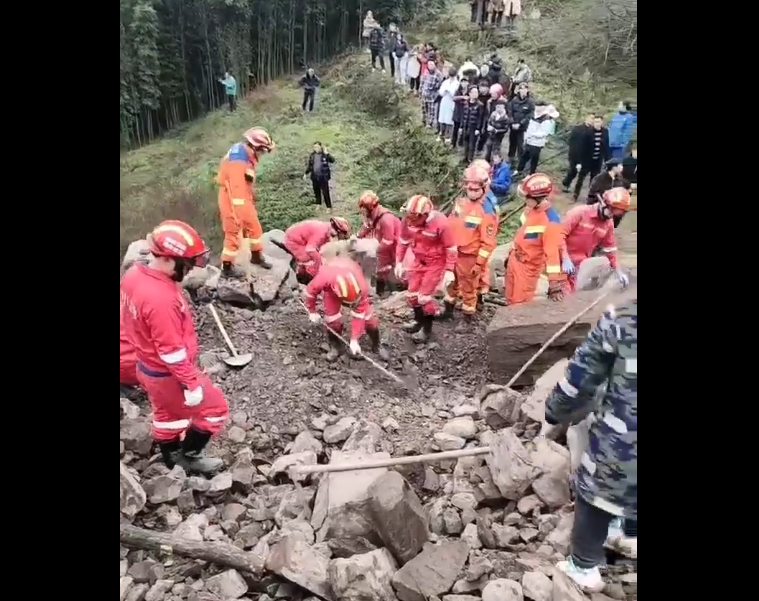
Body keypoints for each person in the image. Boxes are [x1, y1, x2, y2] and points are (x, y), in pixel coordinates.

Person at [539, 299, 637, 592]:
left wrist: (556, 410)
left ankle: (583, 565)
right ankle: (630, 533)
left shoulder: (624, 316)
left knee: (596, 487)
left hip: (625, 439)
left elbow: (581, 377)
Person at [120, 220, 228, 474]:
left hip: (146, 367)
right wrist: (190, 384)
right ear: (168, 260)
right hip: (167, 372)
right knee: (214, 410)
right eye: (186, 264)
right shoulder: (160, 299)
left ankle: (170, 457)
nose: (189, 270)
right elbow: (172, 351)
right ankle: (189, 456)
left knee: (168, 414)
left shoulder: (134, 275)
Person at [395, 195, 457, 343]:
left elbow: (451, 248)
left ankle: (427, 330)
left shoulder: (441, 223)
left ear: (425, 215)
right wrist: (398, 262)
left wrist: (449, 270)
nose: (410, 221)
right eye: (408, 217)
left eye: (414, 218)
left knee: (424, 298)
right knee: (411, 295)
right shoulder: (408, 220)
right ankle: (418, 321)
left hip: (435, 263)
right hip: (418, 260)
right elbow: (403, 241)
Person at [303, 256, 390, 363]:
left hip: (350, 282)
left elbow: (359, 315)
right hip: (332, 291)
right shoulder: (324, 277)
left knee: (370, 319)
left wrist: (354, 339)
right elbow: (310, 292)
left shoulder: (362, 288)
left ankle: (377, 345)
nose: (351, 307)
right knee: (331, 319)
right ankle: (336, 347)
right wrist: (312, 311)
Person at [443, 165, 498, 330]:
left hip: (470, 256)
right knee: (450, 283)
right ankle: (448, 311)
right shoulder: (460, 202)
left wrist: (479, 263)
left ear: (483, 187)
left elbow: (488, 242)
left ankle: (467, 319)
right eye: (469, 188)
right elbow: (450, 223)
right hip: (454, 252)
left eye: (475, 189)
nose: (471, 192)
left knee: (468, 287)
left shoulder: (487, 211)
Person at [217, 127, 275, 276]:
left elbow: (246, 182)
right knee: (233, 230)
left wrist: (250, 199)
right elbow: (236, 185)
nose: (262, 154)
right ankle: (227, 266)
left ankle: (256, 256)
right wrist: (238, 211)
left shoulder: (247, 155)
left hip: (242, 198)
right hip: (231, 199)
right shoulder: (238, 158)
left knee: (254, 225)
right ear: (256, 146)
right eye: (262, 150)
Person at [505, 173, 565, 304]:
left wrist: (554, 282)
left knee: (519, 304)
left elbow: (552, 254)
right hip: (515, 260)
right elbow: (521, 235)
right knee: (509, 298)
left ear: (538, 198)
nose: (525, 200)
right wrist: (510, 254)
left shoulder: (550, 221)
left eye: (527, 197)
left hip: (528, 268)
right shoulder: (530, 210)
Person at [560, 188, 631, 292]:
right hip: (560, 259)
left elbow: (610, 249)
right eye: (611, 210)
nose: (612, 215)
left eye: (616, 214)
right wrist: (565, 258)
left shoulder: (608, 224)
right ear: (603, 203)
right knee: (562, 293)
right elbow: (559, 235)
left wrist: (618, 271)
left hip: (579, 265)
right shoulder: (579, 213)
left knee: (572, 292)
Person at [356, 191, 402, 296]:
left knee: (389, 270)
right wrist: (357, 237)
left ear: (369, 207)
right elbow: (367, 226)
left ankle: (394, 294)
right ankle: (379, 294)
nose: (363, 211)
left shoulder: (386, 218)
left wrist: (375, 251)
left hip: (395, 248)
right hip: (385, 246)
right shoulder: (374, 215)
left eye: (364, 208)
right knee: (380, 269)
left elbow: (388, 241)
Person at [283, 217, 351, 284]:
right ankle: (301, 276)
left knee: (320, 258)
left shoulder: (326, 229)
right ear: (338, 231)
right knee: (309, 259)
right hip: (293, 240)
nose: (343, 236)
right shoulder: (322, 232)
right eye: (343, 234)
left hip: (300, 239)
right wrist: (317, 264)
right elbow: (310, 249)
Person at [570, 114, 611, 201]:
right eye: (595, 122)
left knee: (594, 180)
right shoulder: (588, 132)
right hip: (586, 160)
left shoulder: (605, 132)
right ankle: (575, 195)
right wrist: (579, 162)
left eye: (599, 122)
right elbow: (581, 148)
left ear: (602, 122)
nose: (597, 124)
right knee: (581, 178)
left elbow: (606, 147)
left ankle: (591, 197)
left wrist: (608, 160)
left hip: (597, 160)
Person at [516, 102, 559, 176]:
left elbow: (544, 133)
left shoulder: (548, 122)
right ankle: (519, 170)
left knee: (534, 159)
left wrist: (532, 135)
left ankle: (531, 174)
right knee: (524, 156)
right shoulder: (535, 117)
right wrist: (527, 137)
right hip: (529, 141)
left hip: (537, 144)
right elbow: (530, 127)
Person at [562, 114, 594, 194]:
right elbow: (571, 140)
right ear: (586, 118)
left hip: (585, 155)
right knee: (573, 170)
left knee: (581, 172)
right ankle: (566, 183)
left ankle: (576, 189)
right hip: (574, 153)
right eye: (591, 118)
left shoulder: (592, 130)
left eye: (593, 119)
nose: (592, 120)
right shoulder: (577, 128)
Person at [506, 83, 534, 165]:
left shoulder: (530, 101)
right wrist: (512, 122)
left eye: (524, 89)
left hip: (522, 128)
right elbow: (510, 111)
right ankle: (510, 159)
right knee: (512, 143)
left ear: (527, 90)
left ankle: (520, 162)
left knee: (520, 145)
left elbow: (530, 114)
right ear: (519, 90)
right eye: (521, 89)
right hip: (513, 126)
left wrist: (520, 124)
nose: (523, 91)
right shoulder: (514, 100)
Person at [304, 142, 335, 211]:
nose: (316, 149)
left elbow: (332, 160)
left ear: (321, 147)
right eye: (315, 147)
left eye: (317, 147)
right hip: (315, 177)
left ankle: (328, 207)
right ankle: (318, 204)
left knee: (325, 192)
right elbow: (310, 166)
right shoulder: (312, 155)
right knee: (316, 191)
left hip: (323, 177)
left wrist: (327, 153)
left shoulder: (324, 155)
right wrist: (306, 173)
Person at [461, 86, 486, 163]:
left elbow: (480, 118)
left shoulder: (480, 105)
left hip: (474, 126)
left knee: (472, 144)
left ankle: (470, 158)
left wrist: (478, 128)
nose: (475, 94)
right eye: (473, 92)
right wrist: (461, 126)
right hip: (466, 125)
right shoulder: (465, 103)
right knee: (466, 143)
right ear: (470, 93)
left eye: (476, 92)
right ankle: (465, 157)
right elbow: (463, 115)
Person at [437, 67, 460, 142]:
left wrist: (449, 91)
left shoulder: (457, 83)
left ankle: (448, 136)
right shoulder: (445, 82)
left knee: (449, 119)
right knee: (442, 118)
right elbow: (440, 91)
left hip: (451, 102)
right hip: (445, 101)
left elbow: (455, 93)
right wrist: (444, 91)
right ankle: (441, 134)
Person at [420, 60, 444, 128]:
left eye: (432, 64)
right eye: (429, 64)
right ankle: (424, 121)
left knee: (431, 110)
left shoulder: (438, 74)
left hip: (432, 95)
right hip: (424, 94)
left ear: (434, 65)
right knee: (424, 109)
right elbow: (422, 82)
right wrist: (420, 92)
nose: (430, 66)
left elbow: (440, 84)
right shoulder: (425, 72)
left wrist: (436, 93)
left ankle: (429, 123)